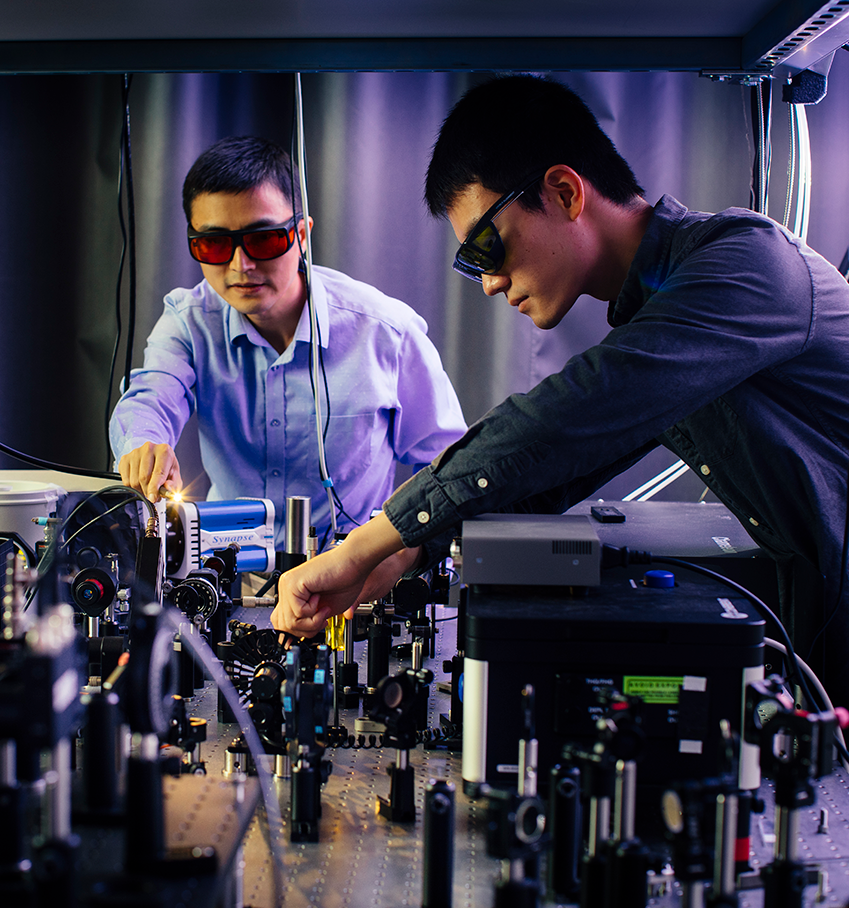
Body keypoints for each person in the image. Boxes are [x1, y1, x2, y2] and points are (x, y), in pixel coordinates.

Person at [271, 75, 849, 701]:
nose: (488, 283)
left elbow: (570, 414)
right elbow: (564, 463)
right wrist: (410, 549)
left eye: (484, 249)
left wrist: (370, 540)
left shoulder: (748, 265)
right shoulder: (665, 315)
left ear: (565, 191)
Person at [109, 136, 467, 543]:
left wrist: (392, 546)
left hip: (351, 581)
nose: (240, 265)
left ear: (301, 233)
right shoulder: (189, 323)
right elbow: (148, 397)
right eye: (214, 244)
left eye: (262, 239)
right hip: (225, 571)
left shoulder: (386, 333)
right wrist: (142, 445)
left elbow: (451, 468)